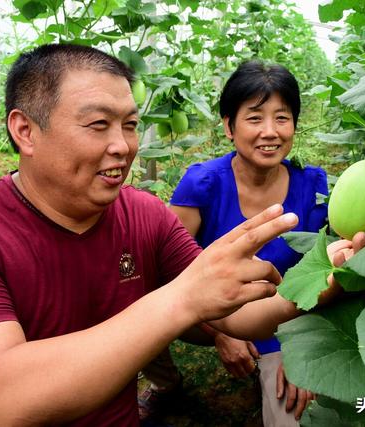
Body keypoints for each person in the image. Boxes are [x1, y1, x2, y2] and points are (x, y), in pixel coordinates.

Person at [0, 44, 365, 426]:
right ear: (25, 131)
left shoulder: (144, 215)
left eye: (131, 125)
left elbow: (243, 317)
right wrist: (183, 299)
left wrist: (322, 284)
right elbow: (6, 400)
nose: (123, 145)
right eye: (99, 124)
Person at [140, 61, 327, 426]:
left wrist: (302, 348)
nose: (270, 132)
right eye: (254, 118)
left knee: (293, 413)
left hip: (282, 320)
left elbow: (319, 274)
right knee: (136, 299)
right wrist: (221, 332)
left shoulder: (314, 184)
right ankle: (167, 384)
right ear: (229, 126)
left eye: (282, 118)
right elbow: (162, 269)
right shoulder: (203, 183)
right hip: (208, 311)